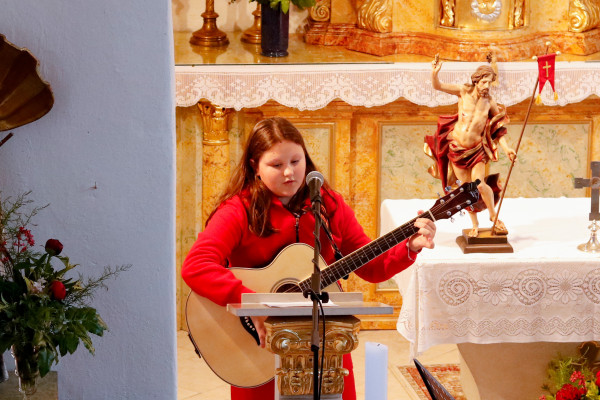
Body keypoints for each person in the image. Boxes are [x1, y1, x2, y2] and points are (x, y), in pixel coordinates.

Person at [182, 116, 437, 400]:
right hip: (260, 343)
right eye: (276, 165)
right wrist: (250, 304)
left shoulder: (330, 205)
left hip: (327, 337)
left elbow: (371, 267)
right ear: (255, 167)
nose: (289, 172)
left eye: (296, 161)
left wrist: (409, 247)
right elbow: (196, 266)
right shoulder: (239, 210)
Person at [425, 58, 516, 237]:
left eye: (489, 83)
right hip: (457, 148)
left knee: (479, 184)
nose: (486, 86)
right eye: (484, 82)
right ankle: (474, 224)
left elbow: (497, 129)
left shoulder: (489, 102)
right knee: (467, 189)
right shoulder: (463, 92)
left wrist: (507, 149)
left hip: (476, 150)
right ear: (476, 80)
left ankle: (493, 216)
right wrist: (434, 73)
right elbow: (438, 86)